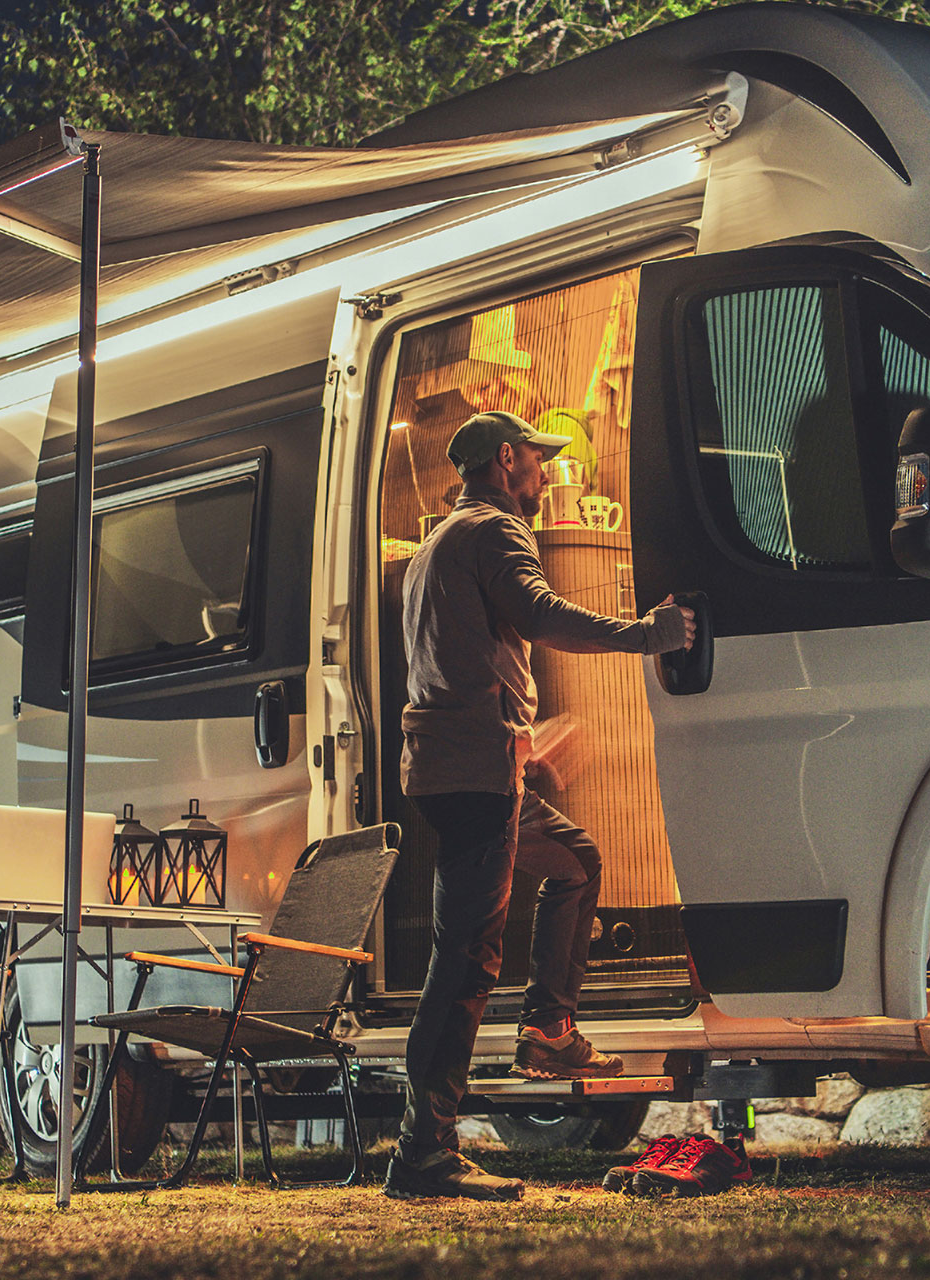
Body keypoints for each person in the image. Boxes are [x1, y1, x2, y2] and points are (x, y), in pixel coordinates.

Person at [383, 409, 697, 1202]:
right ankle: (425, 1154)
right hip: (477, 774)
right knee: (464, 964)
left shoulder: (434, 546)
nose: (547, 471)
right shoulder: (494, 530)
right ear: (505, 459)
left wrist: (519, 733)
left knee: (576, 861)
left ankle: (550, 1031)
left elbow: (462, 658)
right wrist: (644, 635)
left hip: (465, 766)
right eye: (538, 459)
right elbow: (544, 616)